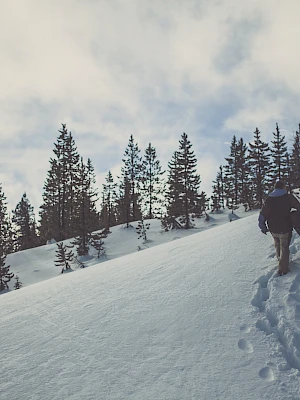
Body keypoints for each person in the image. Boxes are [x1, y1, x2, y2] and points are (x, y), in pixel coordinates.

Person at [258, 180, 300, 276]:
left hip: (272, 228)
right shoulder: (288, 197)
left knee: (277, 243)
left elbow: (262, 215)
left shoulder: (268, 200)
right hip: (285, 227)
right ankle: (283, 269)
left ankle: (279, 259)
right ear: (283, 187)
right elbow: (298, 206)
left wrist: (263, 227)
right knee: (284, 247)